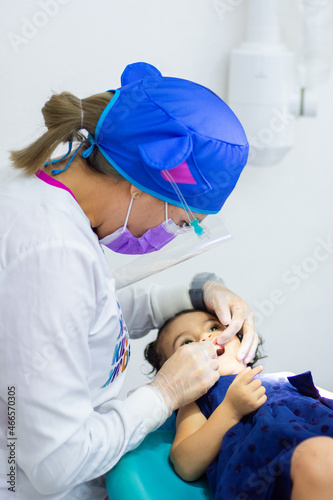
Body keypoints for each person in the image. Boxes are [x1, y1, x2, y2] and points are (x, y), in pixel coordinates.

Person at [0, 62, 258, 499]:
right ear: (144, 186)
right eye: (181, 221)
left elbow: (83, 317)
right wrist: (164, 394)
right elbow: (53, 465)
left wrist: (194, 295)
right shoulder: (51, 253)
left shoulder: (53, 189)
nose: (171, 234)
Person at [144, 309, 333, 500]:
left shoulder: (285, 378)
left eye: (214, 327)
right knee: (322, 457)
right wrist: (230, 410)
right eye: (186, 343)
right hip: (275, 473)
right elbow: (185, 463)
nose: (205, 336)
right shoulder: (197, 400)